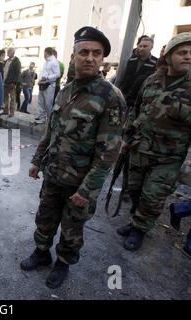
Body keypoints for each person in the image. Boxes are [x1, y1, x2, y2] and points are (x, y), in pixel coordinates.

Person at [21, 27, 126, 289]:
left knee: (71, 229)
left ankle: (63, 264)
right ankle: (42, 253)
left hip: (79, 184)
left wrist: (87, 190)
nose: (90, 58)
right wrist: (36, 160)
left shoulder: (110, 97)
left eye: (97, 53)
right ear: (74, 55)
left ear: (102, 59)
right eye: (84, 52)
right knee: (45, 218)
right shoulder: (66, 91)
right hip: (54, 174)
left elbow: (108, 153)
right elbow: (51, 131)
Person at [118, 32, 191, 251]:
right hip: (139, 149)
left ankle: (139, 230)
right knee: (134, 190)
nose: (188, 57)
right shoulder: (151, 80)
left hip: (168, 158)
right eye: (182, 52)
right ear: (169, 56)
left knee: (152, 196)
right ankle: (133, 222)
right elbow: (136, 110)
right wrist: (126, 136)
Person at [118, 37, 158, 108]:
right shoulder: (132, 60)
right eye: (140, 46)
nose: (141, 48)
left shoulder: (155, 63)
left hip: (139, 100)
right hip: (125, 95)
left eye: (145, 46)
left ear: (151, 47)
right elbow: (125, 77)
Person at [35, 47, 61, 123]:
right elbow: (43, 72)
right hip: (43, 84)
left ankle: (50, 120)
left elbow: (58, 74)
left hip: (49, 85)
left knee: (48, 103)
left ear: (46, 52)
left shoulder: (54, 61)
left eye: (44, 53)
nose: (43, 54)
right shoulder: (46, 61)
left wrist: (47, 77)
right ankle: (42, 117)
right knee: (41, 101)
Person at [3, 47, 21, 117]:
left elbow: (18, 73)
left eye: (8, 51)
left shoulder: (17, 61)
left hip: (12, 82)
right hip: (5, 81)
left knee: (12, 98)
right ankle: (5, 110)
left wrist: (14, 82)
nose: (7, 53)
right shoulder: (7, 60)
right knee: (6, 97)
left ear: (12, 52)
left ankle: (12, 112)